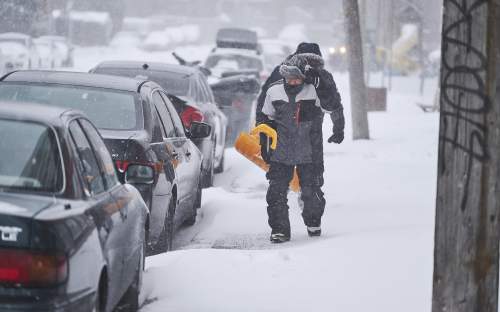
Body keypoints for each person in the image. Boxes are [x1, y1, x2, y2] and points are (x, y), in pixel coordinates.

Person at [257, 43, 345, 243]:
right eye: (307, 62)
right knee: (276, 191)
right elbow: (265, 109)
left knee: (311, 190)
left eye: (315, 64)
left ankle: (313, 220)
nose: (310, 67)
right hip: (281, 147)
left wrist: (338, 128)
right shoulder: (278, 81)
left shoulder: (320, 81)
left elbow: (333, 104)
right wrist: (263, 138)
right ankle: (279, 229)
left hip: (310, 146)